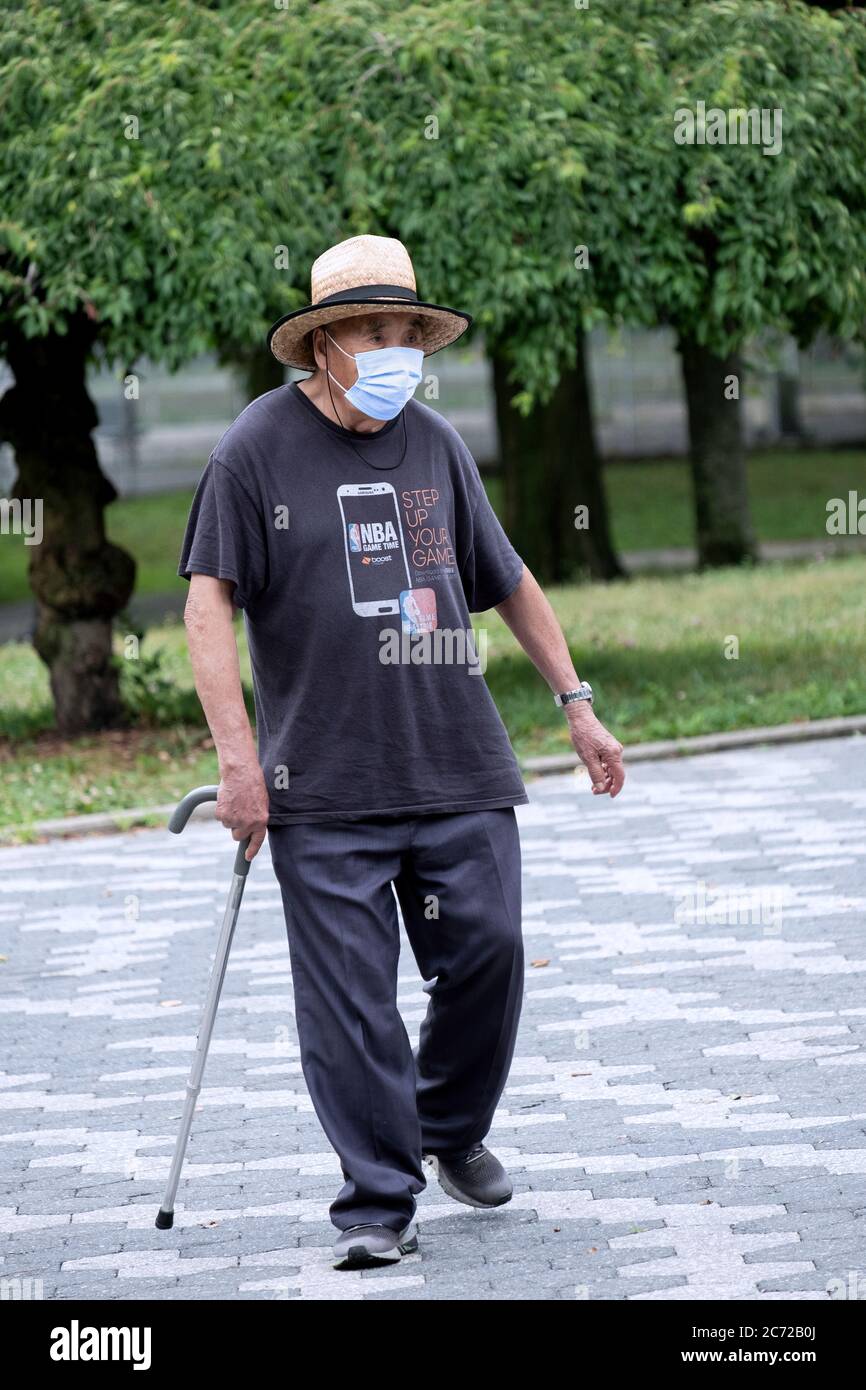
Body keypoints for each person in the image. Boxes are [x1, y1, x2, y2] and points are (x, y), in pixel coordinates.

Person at [178, 234, 625, 1271]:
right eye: (375, 334)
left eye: (408, 334)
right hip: (321, 783)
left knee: (488, 953)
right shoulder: (254, 448)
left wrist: (576, 701)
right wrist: (238, 762)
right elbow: (207, 607)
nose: (397, 352)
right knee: (349, 1005)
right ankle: (377, 1199)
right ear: (324, 345)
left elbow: (505, 576)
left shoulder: (433, 442)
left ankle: (447, 1125)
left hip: (455, 763)